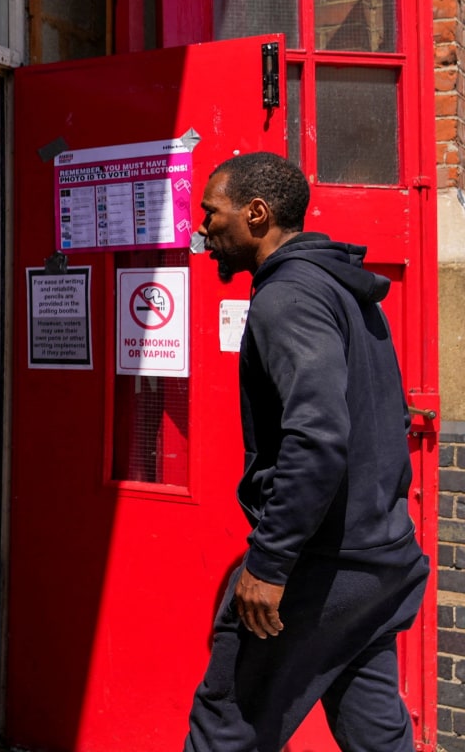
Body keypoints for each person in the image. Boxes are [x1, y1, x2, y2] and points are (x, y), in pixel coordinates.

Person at [184, 152, 429, 752]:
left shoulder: (286, 298)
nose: (203, 229)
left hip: (322, 567)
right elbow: (386, 416)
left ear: (257, 214)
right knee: (375, 732)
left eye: (212, 213)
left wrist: (269, 566)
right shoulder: (341, 289)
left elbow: (317, 437)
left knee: (227, 726)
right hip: (380, 558)